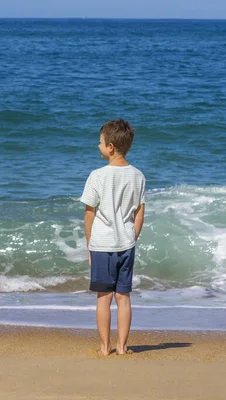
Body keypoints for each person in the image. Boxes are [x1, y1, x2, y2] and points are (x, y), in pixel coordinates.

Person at [80, 119, 146, 356]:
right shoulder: (137, 175)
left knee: (103, 297)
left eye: (99, 142)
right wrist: (132, 237)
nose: (97, 146)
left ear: (110, 147)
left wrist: (89, 245)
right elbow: (140, 213)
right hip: (126, 243)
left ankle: (105, 346)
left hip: (102, 244)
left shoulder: (97, 176)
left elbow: (89, 214)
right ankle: (121, 346)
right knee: (123, 297)